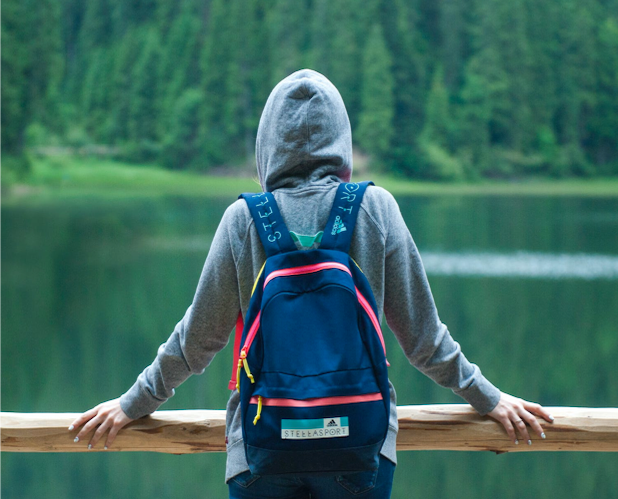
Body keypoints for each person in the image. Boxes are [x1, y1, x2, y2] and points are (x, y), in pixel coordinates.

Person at [70, 69, 554, 498]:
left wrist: (132, 403)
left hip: (263, 452)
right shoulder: (375, 208)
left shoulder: (243, 219)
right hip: (358, 448)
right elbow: (425, 343)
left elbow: (197, 342)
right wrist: (489, 398)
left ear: (266, 143)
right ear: (342, 139)